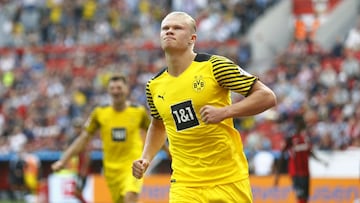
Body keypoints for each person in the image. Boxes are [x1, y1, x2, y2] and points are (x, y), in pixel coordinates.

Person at [132, 11, 277, 203]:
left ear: (192, 38)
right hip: (185, 184)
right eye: (165, 28)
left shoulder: (215, 66)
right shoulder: (154, 85)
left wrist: (225, 111)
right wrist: (146, 158)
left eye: (177, 28)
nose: (169, 31)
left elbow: (267, 96)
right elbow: (158, 125)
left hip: (228, 179)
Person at [52, 74, 150, 203]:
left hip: (133, 165)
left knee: (130, 196)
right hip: (111, 170)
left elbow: (154, 133)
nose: (115, 91)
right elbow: (83, 139)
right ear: (108, 91)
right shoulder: (100, 113)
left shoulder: (139, 112)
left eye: (119, 88)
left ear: (126, 89)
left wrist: (169, 152)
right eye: (112, 88)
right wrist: (63, 160)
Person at [274, 114, 328, 203]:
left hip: (305, 172)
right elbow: (282, 154)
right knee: (301, 198)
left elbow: (310, 153)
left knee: (305, 198)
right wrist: (277, 175)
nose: (303, 124)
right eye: (301, 122)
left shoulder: (305, 138)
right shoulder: (292, 138)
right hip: (295, 172)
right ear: (297, 123)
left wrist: (321, 161)